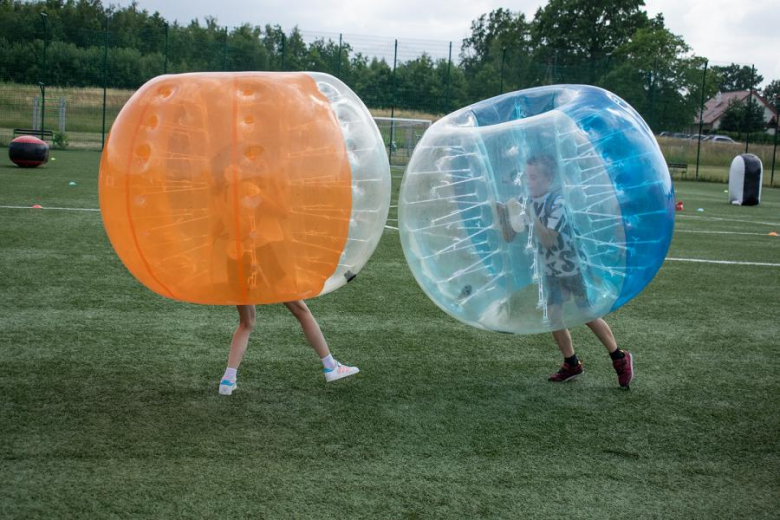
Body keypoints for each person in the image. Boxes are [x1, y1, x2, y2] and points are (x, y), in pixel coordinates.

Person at [502, 154, 633, 388]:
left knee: (587, 314)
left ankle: (620, 358)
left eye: (534, 177)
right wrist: (504, 214)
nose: (528, 182)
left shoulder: (557, 202)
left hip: (571, 266)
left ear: (548, 178)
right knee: (553, 317)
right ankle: (572, 363)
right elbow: (510, 235)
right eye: (527, 176)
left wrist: (530, 213)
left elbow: (549, 239)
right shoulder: (526, 199)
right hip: (550, 268)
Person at [219, 302, 359, 395]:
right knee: (302, 311)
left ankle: (228, 380)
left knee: (246, 323)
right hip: (267, 269)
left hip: (239, 271)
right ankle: (330, 366)